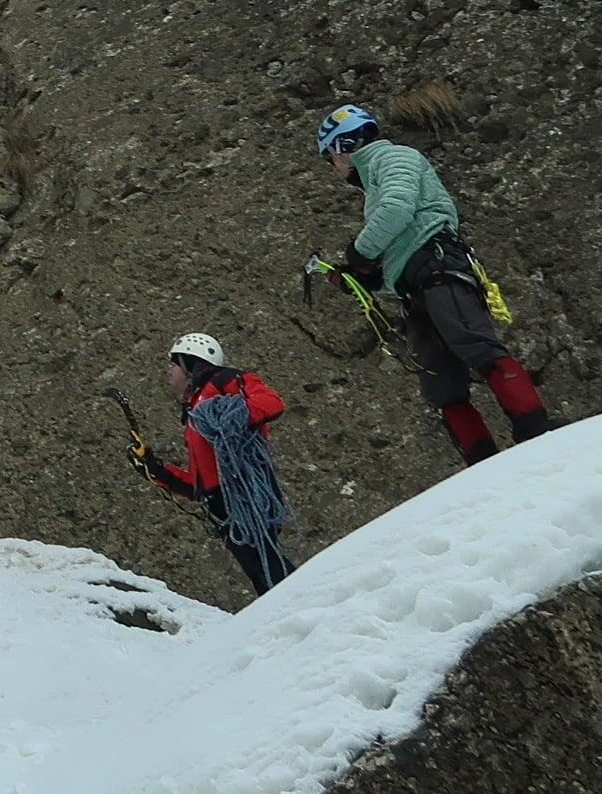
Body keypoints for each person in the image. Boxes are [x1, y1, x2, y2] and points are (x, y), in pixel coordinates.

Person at [313, 103, 554, 465]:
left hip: (439, 265)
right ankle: (484, 463)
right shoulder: (377, 179)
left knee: (476, 345)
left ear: (341, 147)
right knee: (440, 385)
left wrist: (359, 253)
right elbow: (401, 249)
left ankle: (537, 433)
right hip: (419, 282)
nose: (334, 170)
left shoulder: (394, 158)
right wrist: (370, 281)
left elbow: (398, 209)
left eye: (329, 159)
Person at [139, 331, 296, 593]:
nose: (168, 372)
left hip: (245, 491)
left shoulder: (224, 381)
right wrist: (154, 468)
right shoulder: (194, 412)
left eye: (173, 365)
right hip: (222, 503)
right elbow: (198, 484)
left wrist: (233, 418)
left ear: (190, 363)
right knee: (260, 572)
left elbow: (272, 403)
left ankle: (304, 609)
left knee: (267, 566)